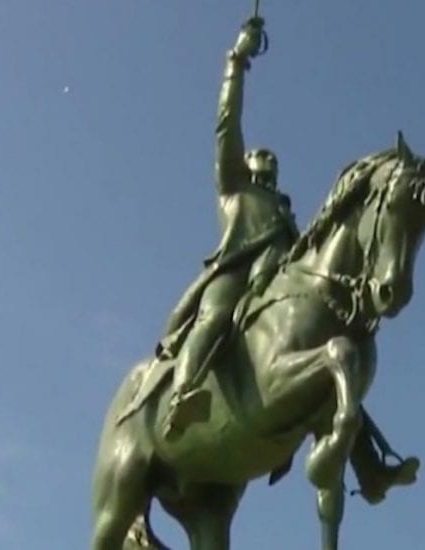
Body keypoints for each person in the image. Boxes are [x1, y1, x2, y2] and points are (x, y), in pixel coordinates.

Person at [158, 16, 298, 439]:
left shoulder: (285, 213)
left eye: (273, 157)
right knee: (215, 316)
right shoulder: (233, 185)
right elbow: (227, 122)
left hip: (275, 280)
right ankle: (182, 395)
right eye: (261, 154)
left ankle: (366, 456)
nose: (268, 159)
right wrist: (237, 61)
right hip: (234, 274)